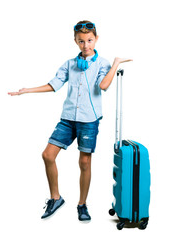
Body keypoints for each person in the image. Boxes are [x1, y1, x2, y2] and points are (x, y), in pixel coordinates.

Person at [8, 20, 132, 221]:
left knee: (84, 161)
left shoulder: (103, 64)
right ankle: (56, 198)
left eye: (90, 40)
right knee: (48, 155)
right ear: (75, 41)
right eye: (81, 41)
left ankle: (82, 205)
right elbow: (54, 84)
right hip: (67, 119)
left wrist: (116, 63)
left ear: (96, 39)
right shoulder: (69, 64)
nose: (86, 45)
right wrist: (27, 90)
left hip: (88, 120)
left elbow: (103, 85)